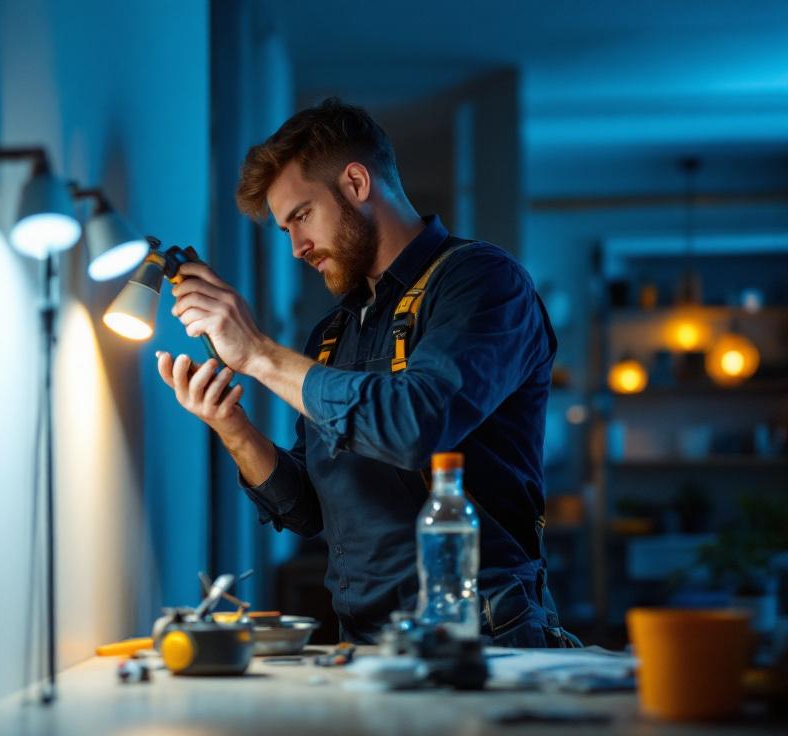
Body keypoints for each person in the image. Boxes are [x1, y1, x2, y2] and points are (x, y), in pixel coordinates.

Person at [155, 98, 578, 647]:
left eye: (301, 216)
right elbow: (310, 508)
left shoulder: (483, 282)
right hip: (368, 643)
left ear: (356, 182)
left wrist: (259, 353)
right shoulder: (333, 333)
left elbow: (414, 424)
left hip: (486, 640)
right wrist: (232, 427)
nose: (297, 248)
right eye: (285, 229)